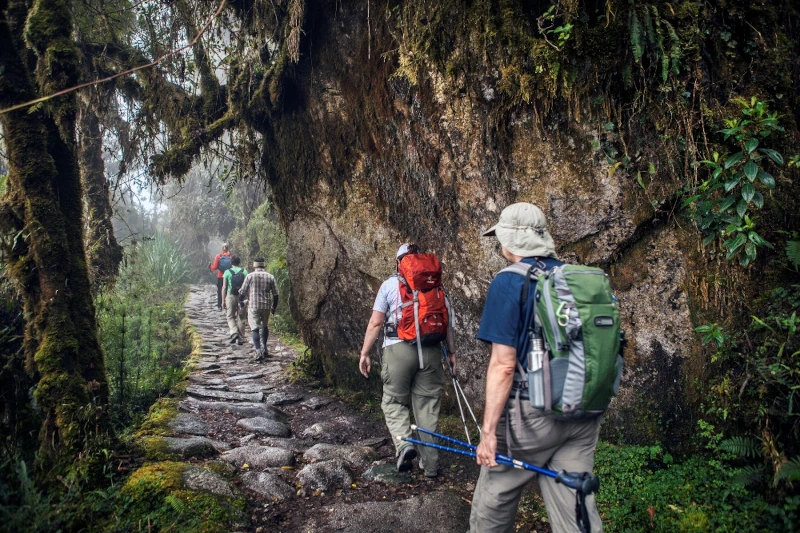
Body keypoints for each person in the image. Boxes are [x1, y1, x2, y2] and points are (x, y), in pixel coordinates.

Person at [469, 203, 603, 533]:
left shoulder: (509, 282)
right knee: (576, 507)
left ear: (510, 240)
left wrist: (487, 434)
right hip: (583, 411)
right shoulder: (576, 278)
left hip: (531, 417)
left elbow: (503, 365)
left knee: (494, 498)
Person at [358, 243, 457, 477]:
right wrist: (452, 353)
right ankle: (431, 466)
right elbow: (447, 323)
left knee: (393, 402)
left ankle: (405, 445)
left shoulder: (390, 285)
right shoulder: (436, 286)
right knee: (427, 409)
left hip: (398, 349)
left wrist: (364, 353)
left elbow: (375, 323)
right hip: (432, 352)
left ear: (398, 262)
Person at [238, 257, 279, 360]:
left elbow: (243, 291)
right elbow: (275, 294)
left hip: (254, 306)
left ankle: (257, 351)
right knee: (264, 326)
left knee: (254, 328)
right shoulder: (270, 277)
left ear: (255, 265)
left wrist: (240, 301)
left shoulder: (250, 276)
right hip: (266, 306)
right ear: (263, 265)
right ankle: (264, 348)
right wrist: (274, 306)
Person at [221, 255, 248, 345]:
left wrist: (223, 300)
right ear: (239, 262)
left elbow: (224, 287)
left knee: (230, 316)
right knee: (241, 317)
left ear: (231, 262)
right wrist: (249, 299)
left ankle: (234, 332)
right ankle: (240, 338)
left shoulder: (227, 272)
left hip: (231, 296)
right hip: (242, 297)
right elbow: (247, 287)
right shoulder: (244, 272)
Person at [209, 243, 232, 310]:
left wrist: (210, 266)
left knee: (220, 291)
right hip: (229, 276)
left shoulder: (218, 256)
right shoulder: (231, 256)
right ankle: (228, 305)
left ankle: (219, 306)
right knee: (228, 290)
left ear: (222, 248)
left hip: (220, 276)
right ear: (228, 248)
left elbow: (214, 267)